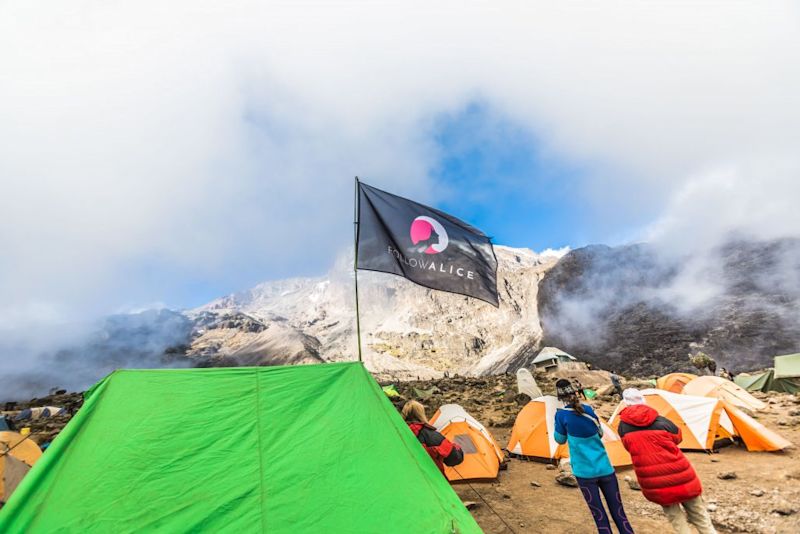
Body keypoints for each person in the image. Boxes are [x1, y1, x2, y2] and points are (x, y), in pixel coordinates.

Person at [617, 389, 716, 534]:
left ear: (625, 403)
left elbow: (629, 447)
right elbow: (678, 437)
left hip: (655, 482)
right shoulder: (661, 421)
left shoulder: (623, 427)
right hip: (682, 476)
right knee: (701, 517)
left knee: (677, 520)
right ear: (643, 400)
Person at [554, 379, 634, 534]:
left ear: (560, 397)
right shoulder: (589, 410)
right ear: (575, 393)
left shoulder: (561, 415)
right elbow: (601, 433)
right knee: (619, 513)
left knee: (600, 516)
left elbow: (560, 439)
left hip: (584, 473)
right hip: (605, 469)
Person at [401, 400, 464, 475]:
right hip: (429, 479)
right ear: (421, 414)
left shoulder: (397, 432)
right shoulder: (431, 435)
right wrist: (457, 448)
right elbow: (454, 458)